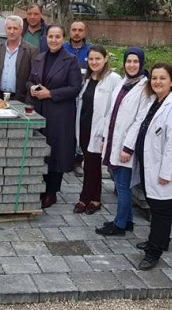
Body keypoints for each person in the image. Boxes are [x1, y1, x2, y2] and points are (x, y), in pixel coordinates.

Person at [131, 62, 172, 270]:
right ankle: (160, 241)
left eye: (162, 78)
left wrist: (166, 173)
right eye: (154, 78)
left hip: (166, 171)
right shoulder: (156, 101)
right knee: (158, 208)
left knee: (160, 212)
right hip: (151, 165)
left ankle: (153, 253)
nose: (157, 82)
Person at [94, 47, 151, 236]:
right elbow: (111, 113)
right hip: (113, 141)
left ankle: (119, 225)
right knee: (119, 182)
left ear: (141, 64)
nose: (132, 65)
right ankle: (127, 220)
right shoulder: (123, 83)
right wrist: (104, 137)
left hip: (126, 146)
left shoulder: (145, 89)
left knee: (122, 187)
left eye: (136, 62)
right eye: (129, 61)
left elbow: (139, 121)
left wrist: (127, 148)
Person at [27, 25, 82, 208]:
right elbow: (30, 80)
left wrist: (50, 94)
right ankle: (39, 187)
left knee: (56, 152)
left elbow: (75, 88)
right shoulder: (39, 57)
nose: (53, 40)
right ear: (46, 38)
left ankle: (52, 192)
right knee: (41, 149)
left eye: (57, 36)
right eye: (50, 36)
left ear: (63, 38)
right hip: (40, 109)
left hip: (60, 113)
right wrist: (32, 89)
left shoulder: (70, 60)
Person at [73, 45, 121, 214]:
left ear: (106, 58)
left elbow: (115, 107)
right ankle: (92, 197)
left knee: (92, 164)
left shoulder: (113, 79)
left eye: (97, 59)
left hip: (100, 130)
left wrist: (106, 133)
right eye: (91, 59)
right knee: (90, 164)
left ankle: (89, 198)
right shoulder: (88, 78)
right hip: (85, 126)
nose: (94, 62)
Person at [62, 21, 92, 176]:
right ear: (70, 31)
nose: (77, 33)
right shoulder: (63, 48)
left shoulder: (91, 50)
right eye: (74, 29)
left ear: (85, 32)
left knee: (80, 127)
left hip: (84, 95)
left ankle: (78, 160)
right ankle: (65, 157)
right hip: (66, 93)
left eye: (80, 30)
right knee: (66, 127)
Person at [0, 15, 37, 102]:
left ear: (21, 30)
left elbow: (33, 80)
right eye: (9, 28)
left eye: (15, 28)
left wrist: (28, 102)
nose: (11, 31)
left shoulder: (31, 51)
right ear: (5, 29)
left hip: (19, 99)